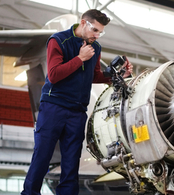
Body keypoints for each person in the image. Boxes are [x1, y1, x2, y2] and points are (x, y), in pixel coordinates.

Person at [21, 9, 133, 195]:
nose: (97, 36)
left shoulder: (95, 48)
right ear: (83, 23)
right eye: (95, 30)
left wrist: (117, 75)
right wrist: (80, 58)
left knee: (71, 162)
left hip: (77, 112)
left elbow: (94, 75)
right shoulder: (58, 41)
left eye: (100, 32)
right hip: (53, 107)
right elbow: (54, 75)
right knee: (42, 156)